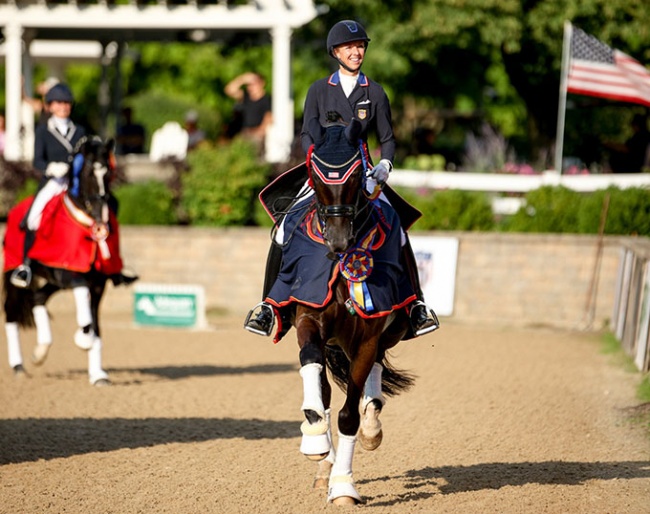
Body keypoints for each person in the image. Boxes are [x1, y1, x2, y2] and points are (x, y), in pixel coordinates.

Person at [244, 20, 439, 338]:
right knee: (282, 229)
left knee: (399, 230)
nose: (356, 51)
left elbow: (387, 138)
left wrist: (385, 166)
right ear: (335, 52)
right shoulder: (319, 89)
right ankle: (267, 306)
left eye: (360, 46)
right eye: (349, 47)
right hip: (322, 173)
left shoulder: (374, 91)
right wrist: (313, 161)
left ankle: (416, 306)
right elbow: (307, 132)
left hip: (362, 174)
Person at [224, 72, 272, 153]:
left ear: (261, 83)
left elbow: (269, 117)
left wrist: (261, 132)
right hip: (245, 133)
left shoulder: (267, 99)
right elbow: (229, 90)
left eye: (253, 84)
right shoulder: (246, 97)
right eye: (249, 85)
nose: (250, 87)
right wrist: (243, 79)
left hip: (257, 135)